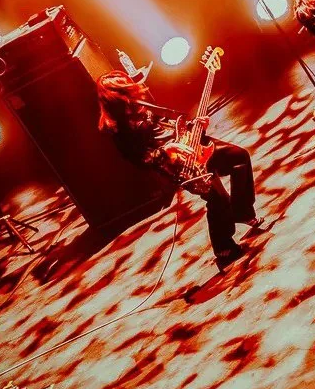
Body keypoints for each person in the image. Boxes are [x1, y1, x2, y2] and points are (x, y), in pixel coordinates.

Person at [96, 70, 262, 271]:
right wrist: (167, 150)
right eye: (126, 90)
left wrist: (195, 126)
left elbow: (169, 127)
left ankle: (242, 211)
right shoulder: (119, 130)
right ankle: (223, 248)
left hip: (192, 144)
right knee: (217, 198)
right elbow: (141, 160)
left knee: (239, 157)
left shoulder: (143, 108)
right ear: (115, 97)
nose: (134, 91)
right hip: (177, 163)